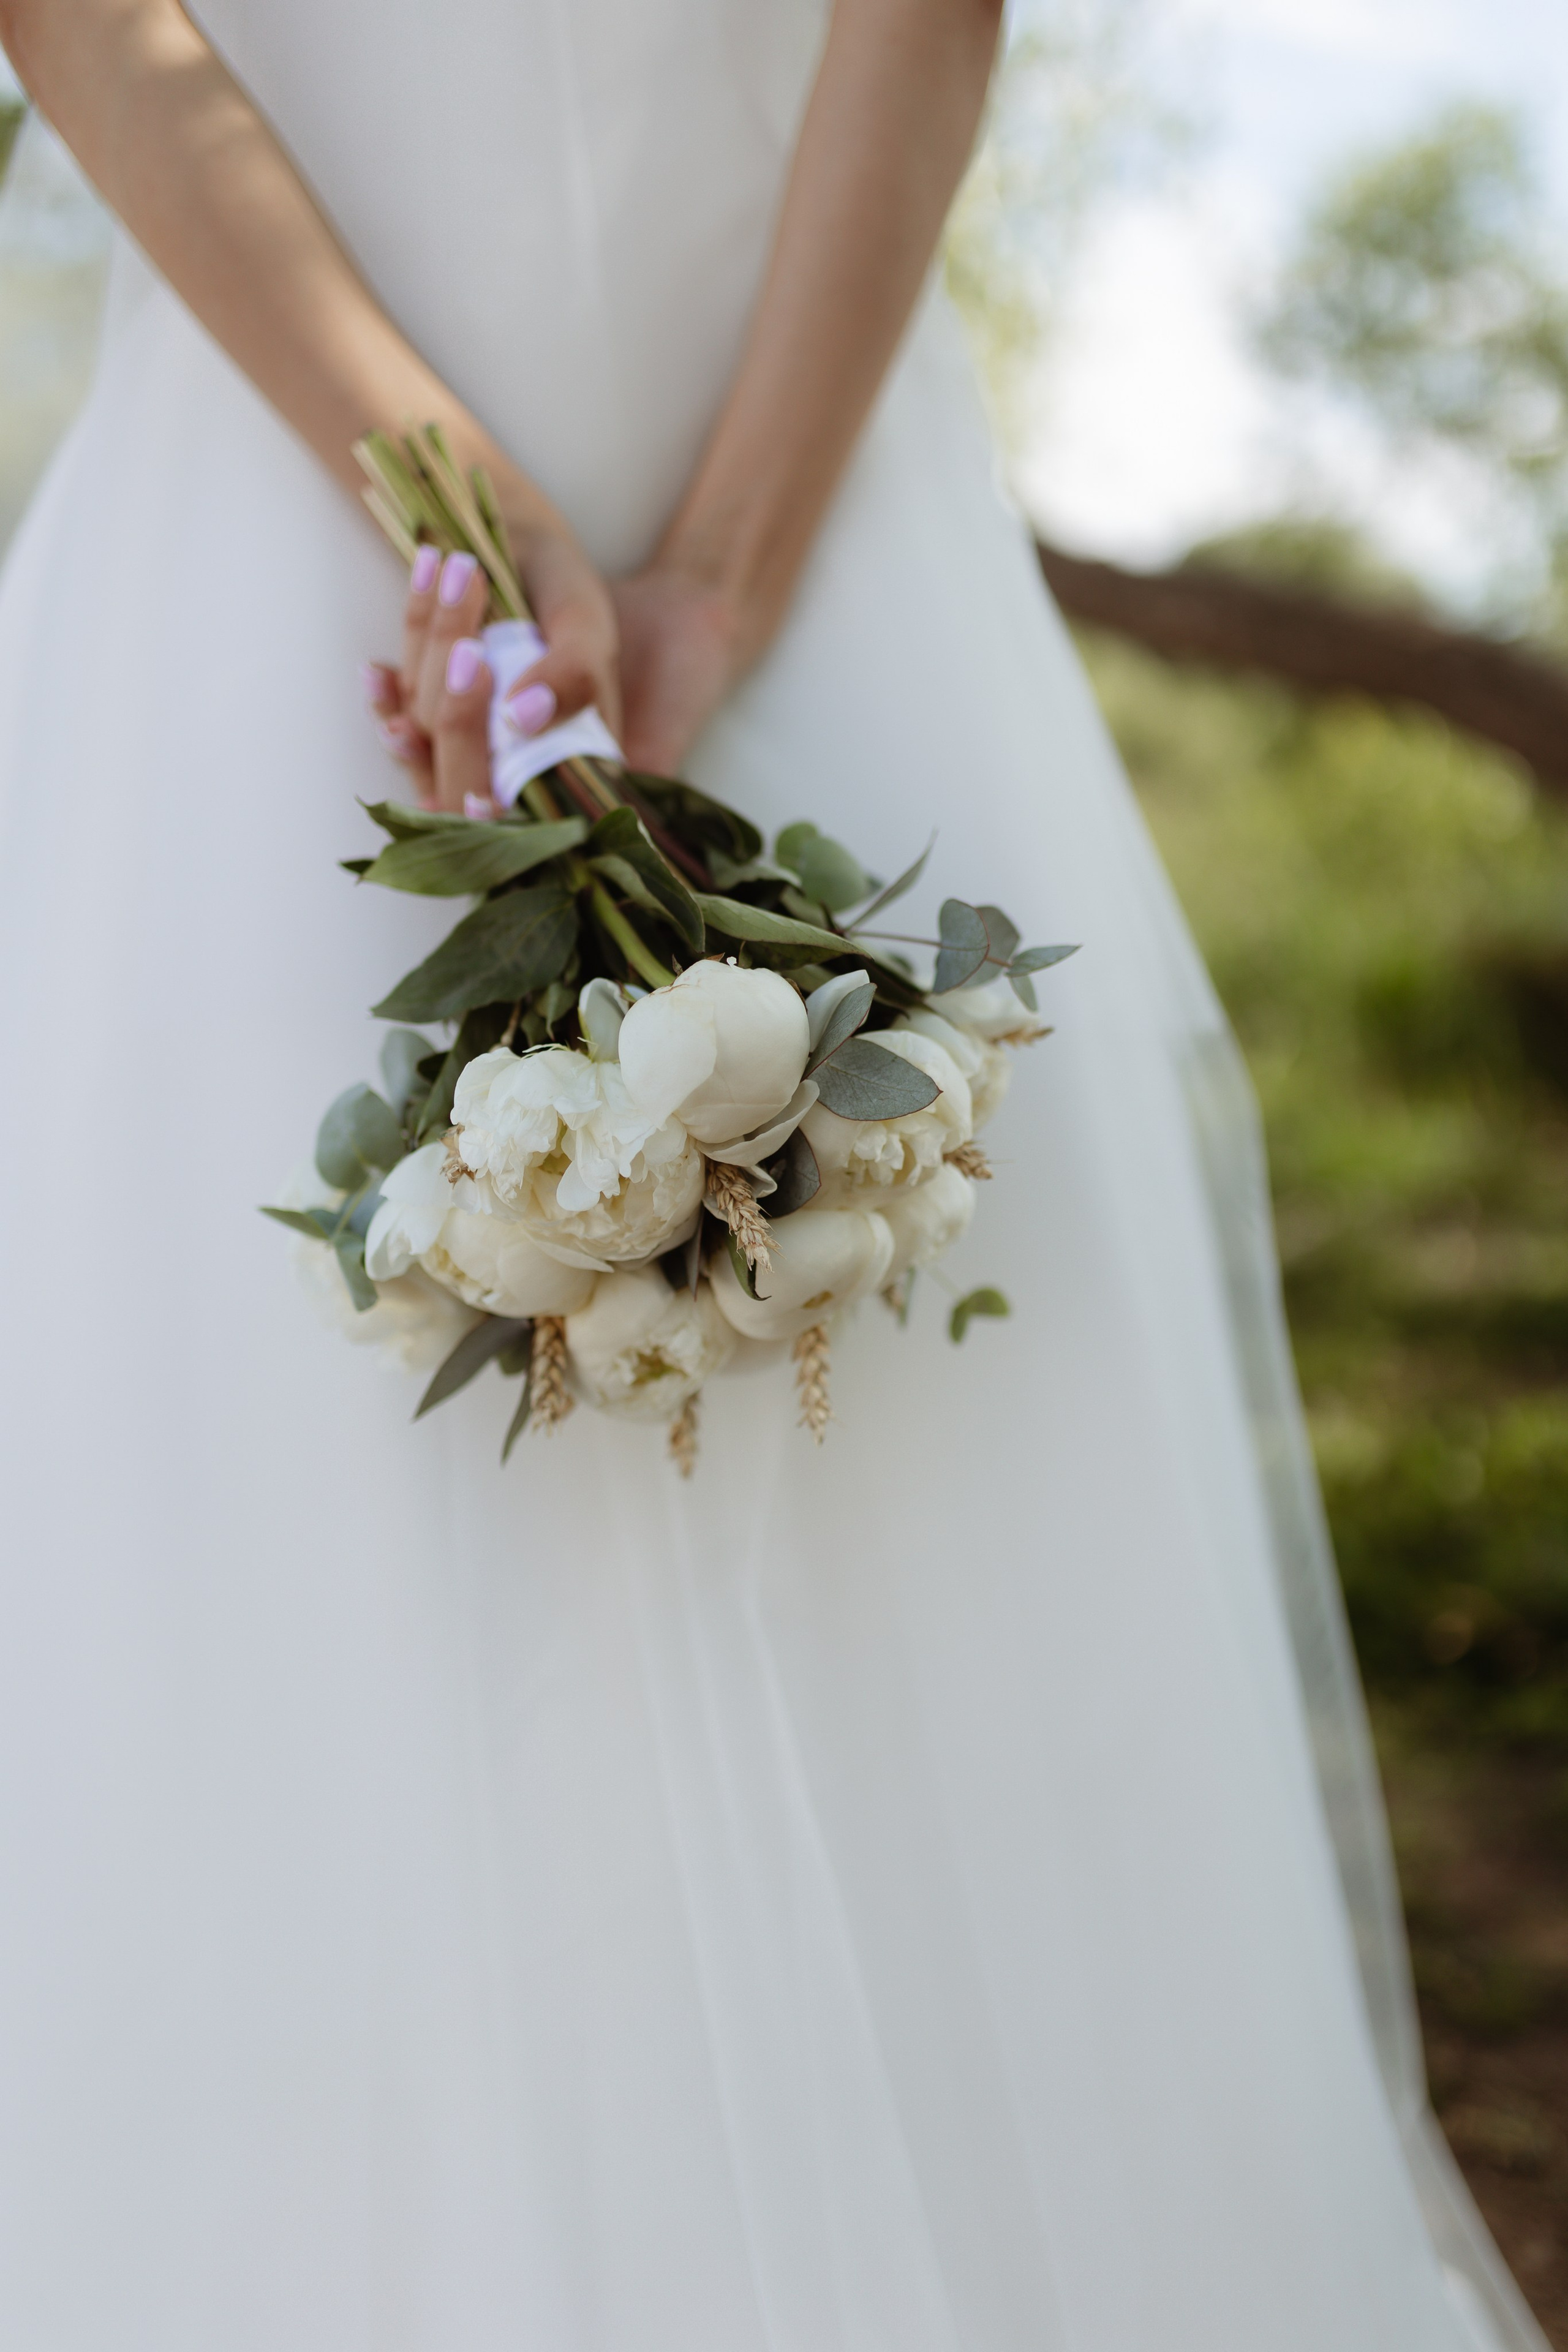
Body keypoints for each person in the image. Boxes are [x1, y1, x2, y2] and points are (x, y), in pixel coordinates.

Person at [0, 2, 1545, 2346]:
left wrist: (603, 549)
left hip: (589, 507)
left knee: (849, 1455)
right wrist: (602, 547)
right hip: (427, 532)